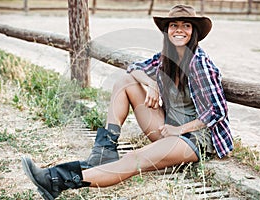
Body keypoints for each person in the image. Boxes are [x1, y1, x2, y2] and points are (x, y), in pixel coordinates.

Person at [21, 5, 233, 200]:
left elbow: (217, 111)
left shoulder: (199, 63)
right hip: (169, 129)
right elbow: (133, 68)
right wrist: (152, 84)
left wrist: (180, 130)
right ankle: (104, 150)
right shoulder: (166, 58)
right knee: (125, 82)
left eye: (186, 26)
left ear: (193, 31)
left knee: (134, 159)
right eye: (174, 25)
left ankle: (55, 180)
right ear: (167, 30)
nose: (179, 30)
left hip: (195, 138)